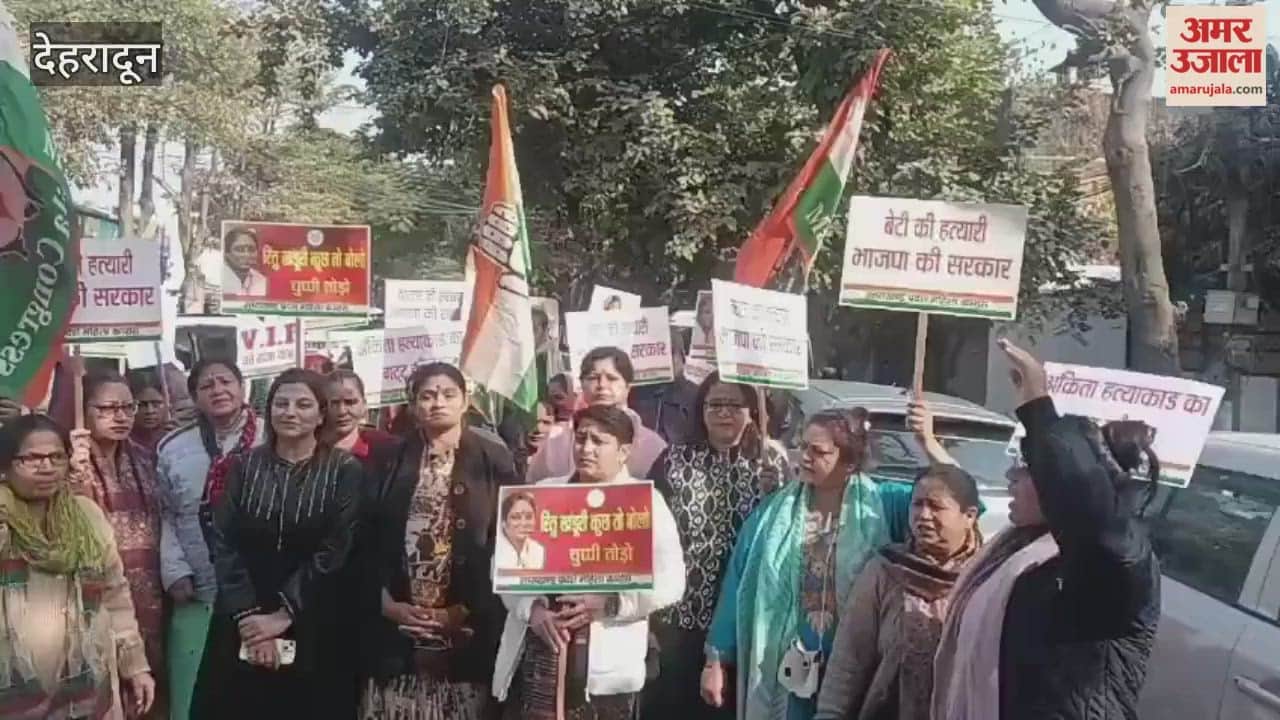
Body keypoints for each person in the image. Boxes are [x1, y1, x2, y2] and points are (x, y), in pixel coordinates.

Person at [931, 340, 1162, 720]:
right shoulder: (1015, 553)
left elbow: (1089, 517)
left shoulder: (1114, 559)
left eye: (1027, 469)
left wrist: (1039, 408)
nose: (1010, 477)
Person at [494, 405, 686, 720]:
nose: (586, 449)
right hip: (539, 661)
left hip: (606, 673)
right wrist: (532, 610)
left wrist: (612, 602)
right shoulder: (542, 494)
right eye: (580, 439)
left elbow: (672, 581)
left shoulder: (645, 503)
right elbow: (505, 565)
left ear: (624, 451)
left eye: (599, 441)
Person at [192, 368, 362, 719]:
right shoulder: (244, 467)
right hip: (243, 614)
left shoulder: (345, 470)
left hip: (315, 616)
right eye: (281, 403)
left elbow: (336, 549)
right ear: (268, 410)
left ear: (320, 414)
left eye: (303, 404)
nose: (290, 412)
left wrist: (284, 614)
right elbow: (223, 543)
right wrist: (252, 621)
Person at [702, 408, 888, 720]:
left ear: (850, 463)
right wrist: (715, 661)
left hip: (851, 672)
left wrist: (928, 443)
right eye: (802, 447)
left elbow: (964, 503)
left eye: (818, 452)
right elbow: (737, 583)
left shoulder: (882, 506)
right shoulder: (773, 513)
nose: (804, 458)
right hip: (781, 671)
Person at [360, 362, 517, 719]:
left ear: (465, 401)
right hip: (396, 630)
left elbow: (508, 542)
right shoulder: (389, 459)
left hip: (466, 632)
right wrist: (386, 604)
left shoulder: (493, 460)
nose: (437, 403)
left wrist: (461, 611)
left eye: (448, 394)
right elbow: (364, 538)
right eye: (427, 396)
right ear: (414, 405)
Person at [815, 412, 983, 720]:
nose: (924, 516)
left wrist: (929, 441)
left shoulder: (985, 577)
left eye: (936, 506)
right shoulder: (886, 571)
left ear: (969, 515)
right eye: (917, 504)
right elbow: (849, 659)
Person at [643, 373, 789, 720]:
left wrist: (776, 493)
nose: (724, 413)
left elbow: (785, 533)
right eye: (715, 404)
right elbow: (647, 534)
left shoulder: (771, 463)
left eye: (734, 405)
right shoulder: (674, 461)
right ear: (701, 410)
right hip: (679, 617)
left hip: (744, 621)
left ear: (752, 412)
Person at [0, 414, 157, 719]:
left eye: (56, 456)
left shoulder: (87, 517)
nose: (46, 467)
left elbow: (115, 596)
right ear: (5, 466)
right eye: (31, 458)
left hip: (87, 685)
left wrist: (135, 666)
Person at [157, 358, 265, 720]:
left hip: (260, 589)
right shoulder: (173, 448)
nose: (219, 390)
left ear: (242, 386)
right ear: (194, 397)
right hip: (197, 587)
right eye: (207, 386)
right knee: (192, 695)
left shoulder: (271, 436)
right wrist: (174, 569)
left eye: (226, 381)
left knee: (255, 691)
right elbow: (168, 513)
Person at [69, 370, 167, 718]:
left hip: (152, 599)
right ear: (85, 410)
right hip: (96, 602)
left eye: (128, 407)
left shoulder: (147, 457)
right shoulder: (67, 461)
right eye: (108, 408)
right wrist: (73, 473)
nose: (122, 416)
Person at [526, 347, 666, 482]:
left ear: (628, 387)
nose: (602, 385)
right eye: (593, 377)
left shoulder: (652, 445)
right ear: (581, 384)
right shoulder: (556, 439)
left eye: (611, 378)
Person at [325, 368, 397, 473]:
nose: (342, 411)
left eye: (350, 402)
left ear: (364, 404)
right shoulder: (309, 451)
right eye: (334, 403)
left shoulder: (388, 449)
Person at [494, 491, 545, 570]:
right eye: (516, 517)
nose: (523, 523)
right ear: (503, 522)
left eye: (528, 517)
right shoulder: (495, 550)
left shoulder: (538, 550)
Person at [128, 368, 174, 452]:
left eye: (156, 404)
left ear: (168, 404)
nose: (150, 411)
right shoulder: (123, 443)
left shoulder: (175, 438)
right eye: (142, 405)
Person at [221, 227, 268, 297]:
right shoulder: (219, 278)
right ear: (227, 253)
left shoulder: (262, 281)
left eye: (251, 249)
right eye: (239, 249)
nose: (247, 255)